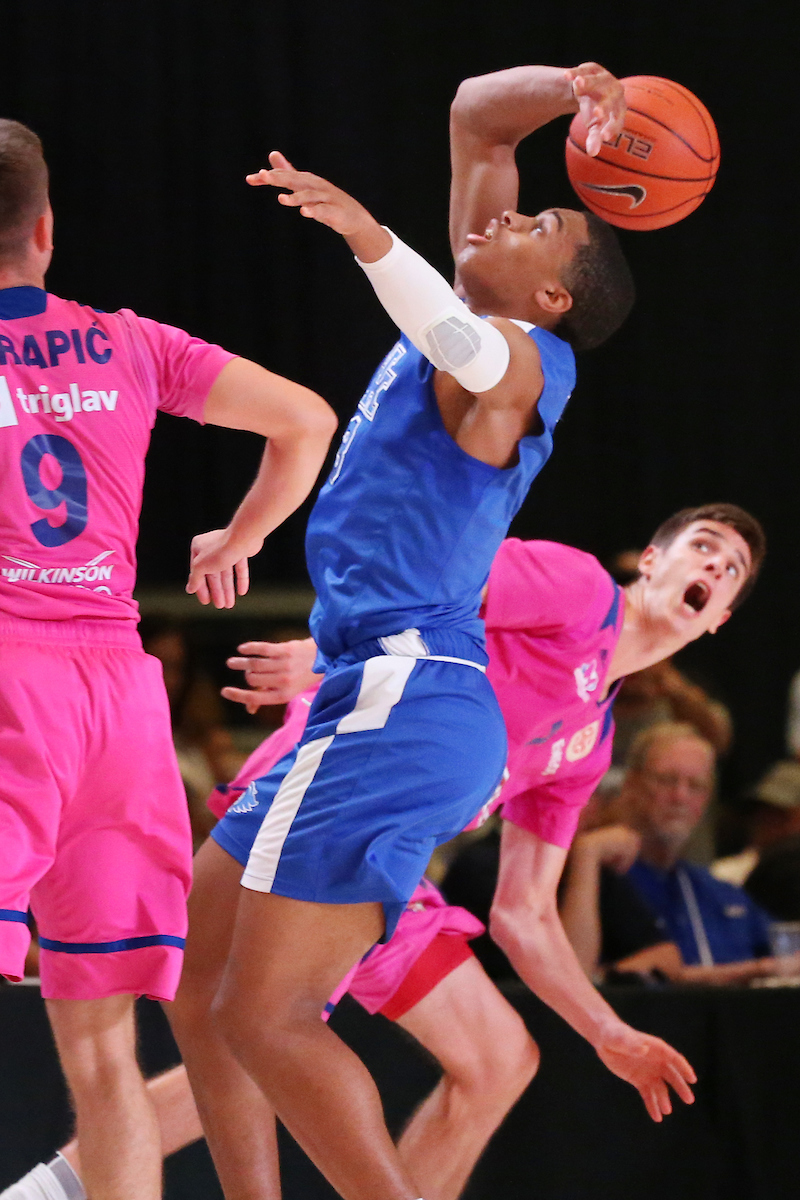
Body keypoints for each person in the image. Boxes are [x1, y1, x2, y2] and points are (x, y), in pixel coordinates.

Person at [165, 58, 640, 1200]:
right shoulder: (483, 287)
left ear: (555, 294)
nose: (512, 213)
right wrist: (574, 91)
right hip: (368, 697)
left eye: (539, 223)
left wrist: (369, 237)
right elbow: (477, 119)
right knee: (201, 988)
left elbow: (468, 352)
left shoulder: (528, 356)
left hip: (407, 700)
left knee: (267, 1015)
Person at [0, 117, 337, 1200]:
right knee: (104, 1062)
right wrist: (240, 539)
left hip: (10, 678)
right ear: (46, 231)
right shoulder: (129, 342)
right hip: (117, 698)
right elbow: (304, 419)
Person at [612, 724, 797, 983]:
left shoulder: (717, 892)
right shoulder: (602, 884)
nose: (680, 796)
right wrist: (760, 969)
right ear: (631, 784)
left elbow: (789, 948)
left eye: (696, 785)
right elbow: (630, 977)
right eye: (667, 780)